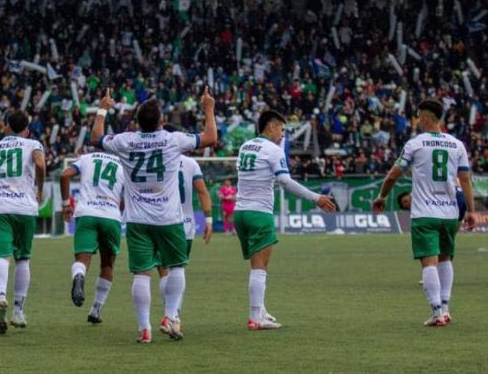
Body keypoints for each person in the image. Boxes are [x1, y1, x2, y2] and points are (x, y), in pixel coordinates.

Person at [91, 88, 217, 344]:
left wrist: (103, 108)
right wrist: (209, 108)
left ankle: (144, 328)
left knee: (141, 274)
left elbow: (96, 138)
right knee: (176, 266)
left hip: (137, 220)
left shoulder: (125, 140)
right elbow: (211, 137)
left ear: (137, 122)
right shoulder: (174, 140)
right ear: (161, 121)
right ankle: (170, 316)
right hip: (169, 219)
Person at [373, 99, 477, 327]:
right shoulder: (457, 145)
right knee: (445, 258)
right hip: (450, 213)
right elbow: (465, 179)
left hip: (425, 213)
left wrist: (382, 196)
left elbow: (393, 175)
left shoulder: (415, 144)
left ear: (427, 118)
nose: (418, 121)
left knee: (428, 263)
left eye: (420, 116)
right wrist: (471, 210)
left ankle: (437, 312)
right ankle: (446, 308)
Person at [234, 110, 337, 330]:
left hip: (240, 212)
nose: (282, 134)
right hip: (259, 213)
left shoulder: (245, 147)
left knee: (259, 265)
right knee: (260, 267)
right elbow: (285, 181)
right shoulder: (272, 150)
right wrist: (315, 198)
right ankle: (255, 317)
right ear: (270, 127)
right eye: (281, 129)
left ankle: (260, 309)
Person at [0, 110, 46, 334]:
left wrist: (0, 182)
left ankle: (0, 296)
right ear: (26, 129)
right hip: (25, 208)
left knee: (1, 256)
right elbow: (41, 165)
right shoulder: (32, 144)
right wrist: (39, 189)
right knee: (23, 258)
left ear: (4, 126)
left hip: (0, 208)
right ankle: (18, 310)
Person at [59, 148, 124, 324]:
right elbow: (126, 195)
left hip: (86, 213)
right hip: (110, 215)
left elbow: (65, 175)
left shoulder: (86, 158)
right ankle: (96, 309)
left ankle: (79, 276)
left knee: (82, 259)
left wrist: (66, 205)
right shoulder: (122, 163)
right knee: (107, 263)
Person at [157, 153, 213, 332]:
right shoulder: (190, 163)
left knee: (164, 271)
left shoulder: (156, 160)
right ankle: (173, 316)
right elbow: (202, 191)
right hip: (185, 224)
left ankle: (170, 316)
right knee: (178, 268)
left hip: (161, 221)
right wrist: (209, 219)